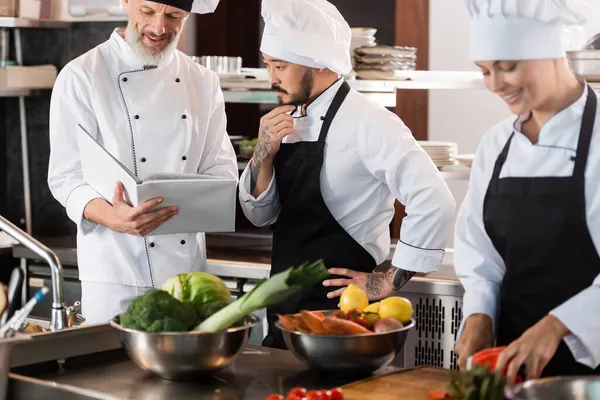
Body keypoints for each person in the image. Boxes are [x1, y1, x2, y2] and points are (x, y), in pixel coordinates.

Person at [238, 0, 456, 349]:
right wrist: (263, 154)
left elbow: (435, 200)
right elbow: (261, 215)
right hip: (284, 317)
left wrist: (386, 282)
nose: (271, 78)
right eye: (267, 65)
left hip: (344, 323)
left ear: (320, 64)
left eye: (280, 65)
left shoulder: (370, 122)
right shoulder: (284, 120)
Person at [47, 0, 237, 324]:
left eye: (174, 16)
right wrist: (112, 216)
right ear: (127, 2)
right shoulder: (82, 76)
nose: (159, 28)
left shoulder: (203, 82)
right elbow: (66, 177)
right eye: (148, 12)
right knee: (110, 371)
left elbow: (221, 169)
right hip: (114, 272)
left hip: (186, 276)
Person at [454, 0, 600, 383]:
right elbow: (479, 251)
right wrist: (479, 315)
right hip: (513, 368)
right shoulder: (495, 144)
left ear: (553, 53)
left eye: (507, 67)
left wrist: (557, 325)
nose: (494, 84)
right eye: (485, 71)